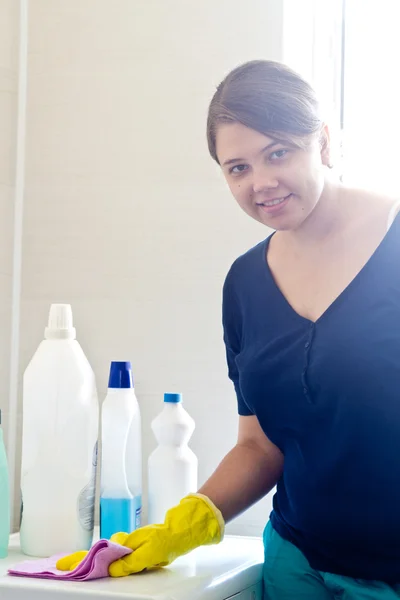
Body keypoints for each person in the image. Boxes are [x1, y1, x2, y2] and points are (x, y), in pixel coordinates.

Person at [58, 60, 400, 599]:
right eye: (236, 167)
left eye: (278, 153)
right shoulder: (245, 282)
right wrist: (181, 527)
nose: (261, 183)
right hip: (296, 565)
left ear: (325, 143)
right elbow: (260, 445)